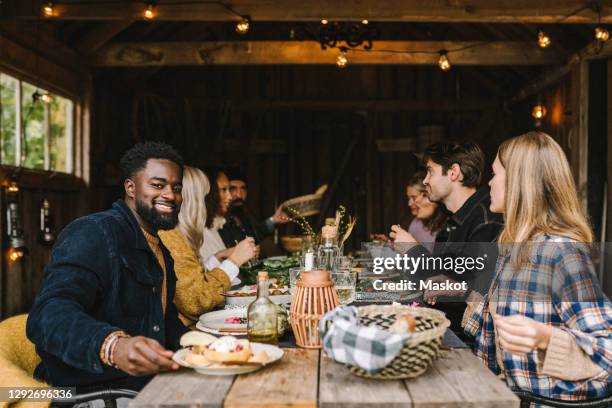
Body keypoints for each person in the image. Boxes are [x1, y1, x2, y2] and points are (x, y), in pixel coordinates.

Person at [27, 142, 188, 392]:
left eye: (176, 188)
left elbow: (164, 321)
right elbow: (47, 315)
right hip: (95, 393)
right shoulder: (95, 232)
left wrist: (201, 347)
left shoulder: (160, 250)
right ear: (130, 188)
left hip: (148, 384)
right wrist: (113, 346)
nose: (170, 195)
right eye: (157, 185)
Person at [464, 131, 611, 402]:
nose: (490, 183)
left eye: (495, 174)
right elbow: (488, 326)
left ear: (520, 183)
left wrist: (546, 338)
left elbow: (607, 353)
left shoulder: (560, 252)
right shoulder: (511, 247)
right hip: (501, 396)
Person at [389, 141, 503, 333]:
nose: (425, 181)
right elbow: (442, 280)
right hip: (442, 326)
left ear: (453, 172)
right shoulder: (454, 218)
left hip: (463, 339)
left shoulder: (485, 219)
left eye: (430, 171)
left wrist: (413, 250)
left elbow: (472, 295)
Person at [158, 166, 256, 327]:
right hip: (185, 332)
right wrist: (234, 261)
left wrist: (218, 257)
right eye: (206, 197)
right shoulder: (170, 236)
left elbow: (191, 279)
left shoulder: (177, 233)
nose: (210, 203)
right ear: (194, 200)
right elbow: (196, 300)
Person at [199, 166, 258, 283]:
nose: (230, 196)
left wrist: (226, 254)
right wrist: (234, 258)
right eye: (224, 190)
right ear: (209, 192)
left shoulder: (214, 225)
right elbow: (201, 284)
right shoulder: (197, 231)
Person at [219, 167, 288, 247]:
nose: (239, 195)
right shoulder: (218, 221)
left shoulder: (244, 214)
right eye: (233, 189)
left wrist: (273, 220)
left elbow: (253, 235)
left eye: (243, 188)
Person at [405, 171, 447, 251]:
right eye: (408, 198)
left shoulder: (447, 230)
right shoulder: (415, 224)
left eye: (414, 197)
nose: (409, 204)